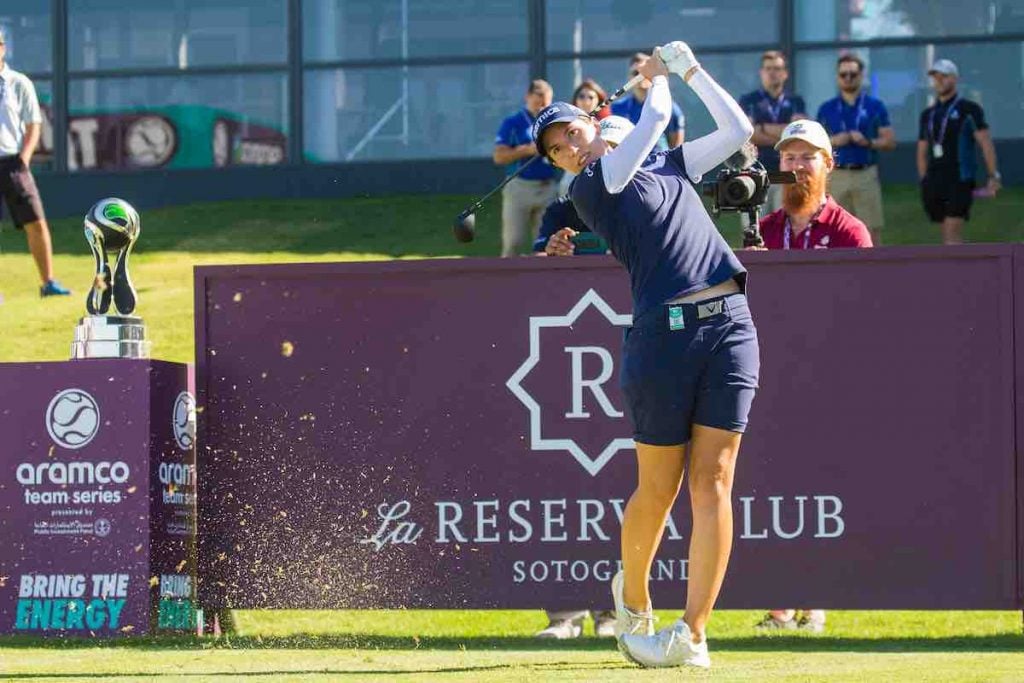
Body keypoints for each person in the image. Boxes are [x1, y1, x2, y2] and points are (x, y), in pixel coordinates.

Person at [534, 41, 757, 670]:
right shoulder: (590, 188)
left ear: (600, 126)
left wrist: (690, 72)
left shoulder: (669, 168)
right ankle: (633, 606)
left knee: (714, 482)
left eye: (572, 133)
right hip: (663, 336)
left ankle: (694, 633)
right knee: (658, 490)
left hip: (731, 325)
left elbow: (737, 130)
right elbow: (655, 117)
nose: (567, 149)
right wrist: (658, 78)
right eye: (556, 149)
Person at [0, 27, 70, 297]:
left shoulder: (19, 83)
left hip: (13, 163)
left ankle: (48, 282)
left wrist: (25, 158)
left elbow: (34, 124)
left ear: (4, 48)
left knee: (36, 221)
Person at [917, 59, 1001, 245]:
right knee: (947, 233)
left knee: (952, 230)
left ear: (955, 79)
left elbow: (985, 143)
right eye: (935, 77)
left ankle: (961, 270)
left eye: (944, 76)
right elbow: (922, 150)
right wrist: (924, 179)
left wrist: (993, 175)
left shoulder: (969, 110)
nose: (939, 81)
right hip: (935, 179)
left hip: (960, 178)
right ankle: (967, 262)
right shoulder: (928, 114)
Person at [758, 120, 873, 251]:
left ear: (829, 164)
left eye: (807, 157)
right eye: (790, 158)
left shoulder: (849, 231)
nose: (797, 166)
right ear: (780, 164)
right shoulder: (764, 231)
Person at [816, 54, 895, 245]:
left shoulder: (874, 106)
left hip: (865, 173)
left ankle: (873, 271)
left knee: (871, 230)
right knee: (833, 229)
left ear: (861, 76)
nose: (848, 78)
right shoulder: (827, 108)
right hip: (837, 174)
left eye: (853, 74)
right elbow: (816, 144)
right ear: (837, 77)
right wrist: (835, 140)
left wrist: (868, 142)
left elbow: (889, 141)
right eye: (844, 74)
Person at [493, 79, 559, 257]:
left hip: (547, 187)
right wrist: (526, 150)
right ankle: (507, 280)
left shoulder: (553, 123)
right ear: (528, 97)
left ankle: (544, 282)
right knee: (513, 242)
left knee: (545, 244)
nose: (542, 103)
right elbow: (499, 156)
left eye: (546, 100)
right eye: (538, 97)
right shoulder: (514, 122)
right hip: (520, 186)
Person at [738, 51, 807, 215]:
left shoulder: (796, 101)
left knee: (785, 225)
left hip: (786, 174)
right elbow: (748, 134)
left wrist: (762, 128)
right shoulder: (749, 101)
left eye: (777, 68)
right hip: (755, 172)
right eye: (768, 69)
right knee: (755, 228)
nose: (772, 73)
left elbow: (797, 135)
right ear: (761, 73)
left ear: (785, 74)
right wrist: (783, 135)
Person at [611, 53, 685, 150]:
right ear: (629, 77)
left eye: (645, 72)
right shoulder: (616, 108)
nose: (640, 77)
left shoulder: (668, 108)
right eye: (636, 73)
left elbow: (676, 148)